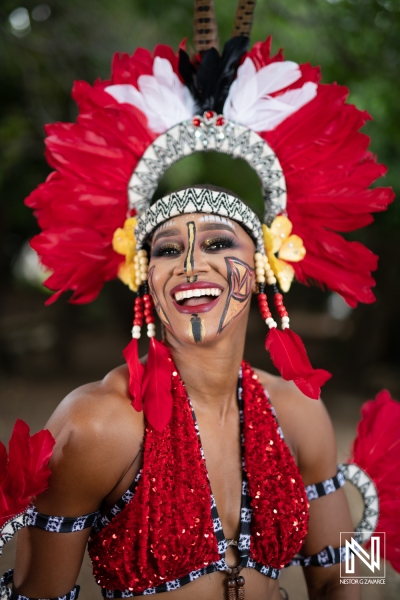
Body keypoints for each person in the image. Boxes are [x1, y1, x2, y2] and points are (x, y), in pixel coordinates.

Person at [1, 2, 398, 599]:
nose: (192, 264)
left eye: (218, 242)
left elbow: (346, 577)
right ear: (144, 277)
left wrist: (368, 566)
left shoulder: (301, 412)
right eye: (165, 250)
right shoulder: (95, 426)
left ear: (264, 265)